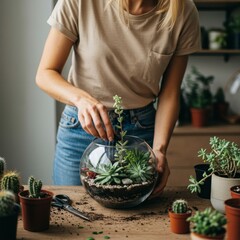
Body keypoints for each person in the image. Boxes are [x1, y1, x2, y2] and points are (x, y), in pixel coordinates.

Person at [36, 0, 201, 198]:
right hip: (81, 129)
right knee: (73, 211)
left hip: (141, 132)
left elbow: (170, 93)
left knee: (135, 220)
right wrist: (81, 100)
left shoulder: (184, 11)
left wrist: (159, 149)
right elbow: (45, 73)